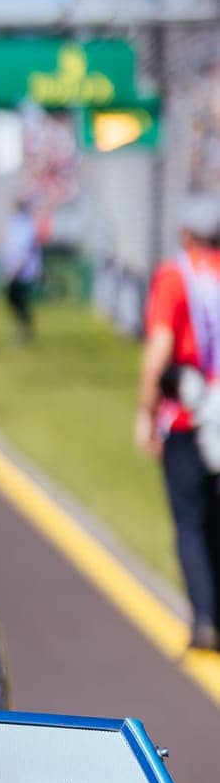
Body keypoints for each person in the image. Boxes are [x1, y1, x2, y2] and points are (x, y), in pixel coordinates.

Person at [137, 195, 220, 650]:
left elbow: (160, 346)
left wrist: (145, 410)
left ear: (186, 234)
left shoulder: (176, 275)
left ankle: (205, 617)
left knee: (191, 521)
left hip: (189, 416)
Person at [0, 196, 42, 342]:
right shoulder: (16, 223)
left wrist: (14, 271)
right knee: (12, 300)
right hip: (14, 270)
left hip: (22, 271)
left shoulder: (25, 225)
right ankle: (23, 327)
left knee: (17, 299)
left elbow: (23, 251)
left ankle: (25, 329)